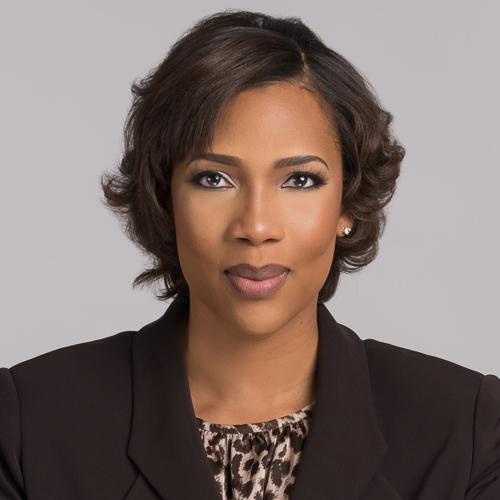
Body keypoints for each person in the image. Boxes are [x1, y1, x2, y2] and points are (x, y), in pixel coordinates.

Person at [0, 10, 498, 500]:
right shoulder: (30, 425)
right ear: (165, 199)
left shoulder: (465, 432)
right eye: (214, 178)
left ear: (347, 204)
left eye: (299, 180)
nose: (256, 227)